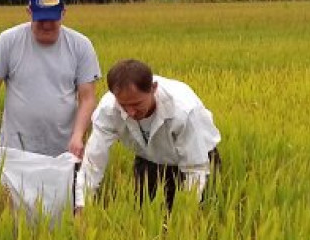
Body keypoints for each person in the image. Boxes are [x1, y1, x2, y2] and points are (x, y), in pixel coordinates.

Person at [75, 59, 221, 212]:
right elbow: (93, 161)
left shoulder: (183, 110)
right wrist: (81, 205)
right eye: (124, 105)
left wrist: (185, 216)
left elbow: (195, 169)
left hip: (199, 162)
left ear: (153, 88)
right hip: (149, 160)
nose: (130, 112)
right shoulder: (108, 109)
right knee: (146, 216)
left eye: (136, 104)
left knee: (198, 218)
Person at [0, 0, 101, 159]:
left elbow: (87, 97)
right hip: (15, 148)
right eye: (41, 19)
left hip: (64, 150)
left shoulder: (80, 45)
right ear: (29, 12)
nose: (47, 25)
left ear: (63, 12)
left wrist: (78, 135)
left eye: (52, 19)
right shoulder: (8, 40)